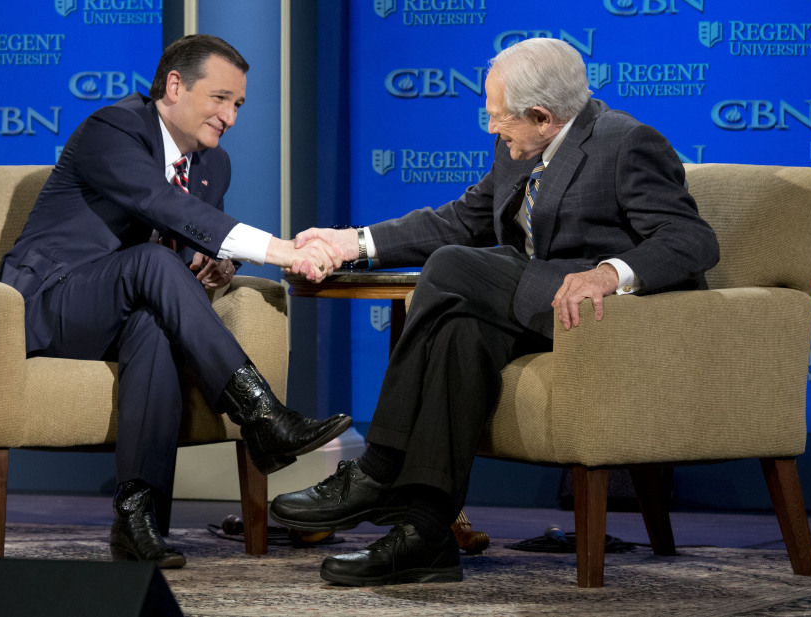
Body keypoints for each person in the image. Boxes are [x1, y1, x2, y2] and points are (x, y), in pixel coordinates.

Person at [269, 37, 720, 586]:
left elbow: (691, 240)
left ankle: (379, 466)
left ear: (542, 115)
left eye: (499, 116)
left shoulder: (626, 143)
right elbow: (458, 220)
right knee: (459, 328)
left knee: (453, 267)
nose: (491, 128)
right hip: (527, 312)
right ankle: (424, 537)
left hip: (600, 326)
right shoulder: (519, 150)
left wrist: (608, 273)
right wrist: (353, 243)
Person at [0, 34, 350, 569]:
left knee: (154, 326)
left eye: (238, 105)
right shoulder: (113, 129)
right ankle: (261, 413)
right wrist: (279, 249)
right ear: (176, 85)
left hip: (121, 311)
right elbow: (159, 205)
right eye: (220, 98)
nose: (230, 116)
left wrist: (221, 265)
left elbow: (189, 242)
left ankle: (138, 522)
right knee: (152, 267)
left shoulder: (214, 166)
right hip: (48, 303)